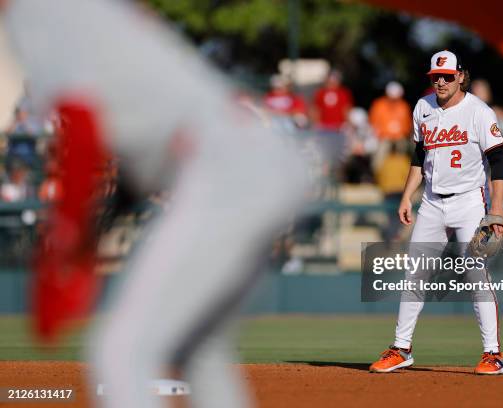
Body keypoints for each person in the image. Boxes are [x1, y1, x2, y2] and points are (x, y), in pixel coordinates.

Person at [2, 2, 307, 408]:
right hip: (266, 160)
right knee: (201, 350)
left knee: (120, 353)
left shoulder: (38, 14)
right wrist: (94, 231)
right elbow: (132, 126)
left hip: (220, 170)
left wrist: (70, 241)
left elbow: (81, 125)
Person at [369, 50, 503, 375]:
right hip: (431, 201)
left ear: (461, 75)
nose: (441, 81)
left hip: (469, 202)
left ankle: (493, 354)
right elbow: (419, 157)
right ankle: (401, 348)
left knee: (476, 275)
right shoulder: (423, 107)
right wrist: (407, 196)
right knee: (415, 273)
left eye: (447, 75)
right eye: (436, 76)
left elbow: (499, 160)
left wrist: (498, 208)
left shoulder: (478, 111)